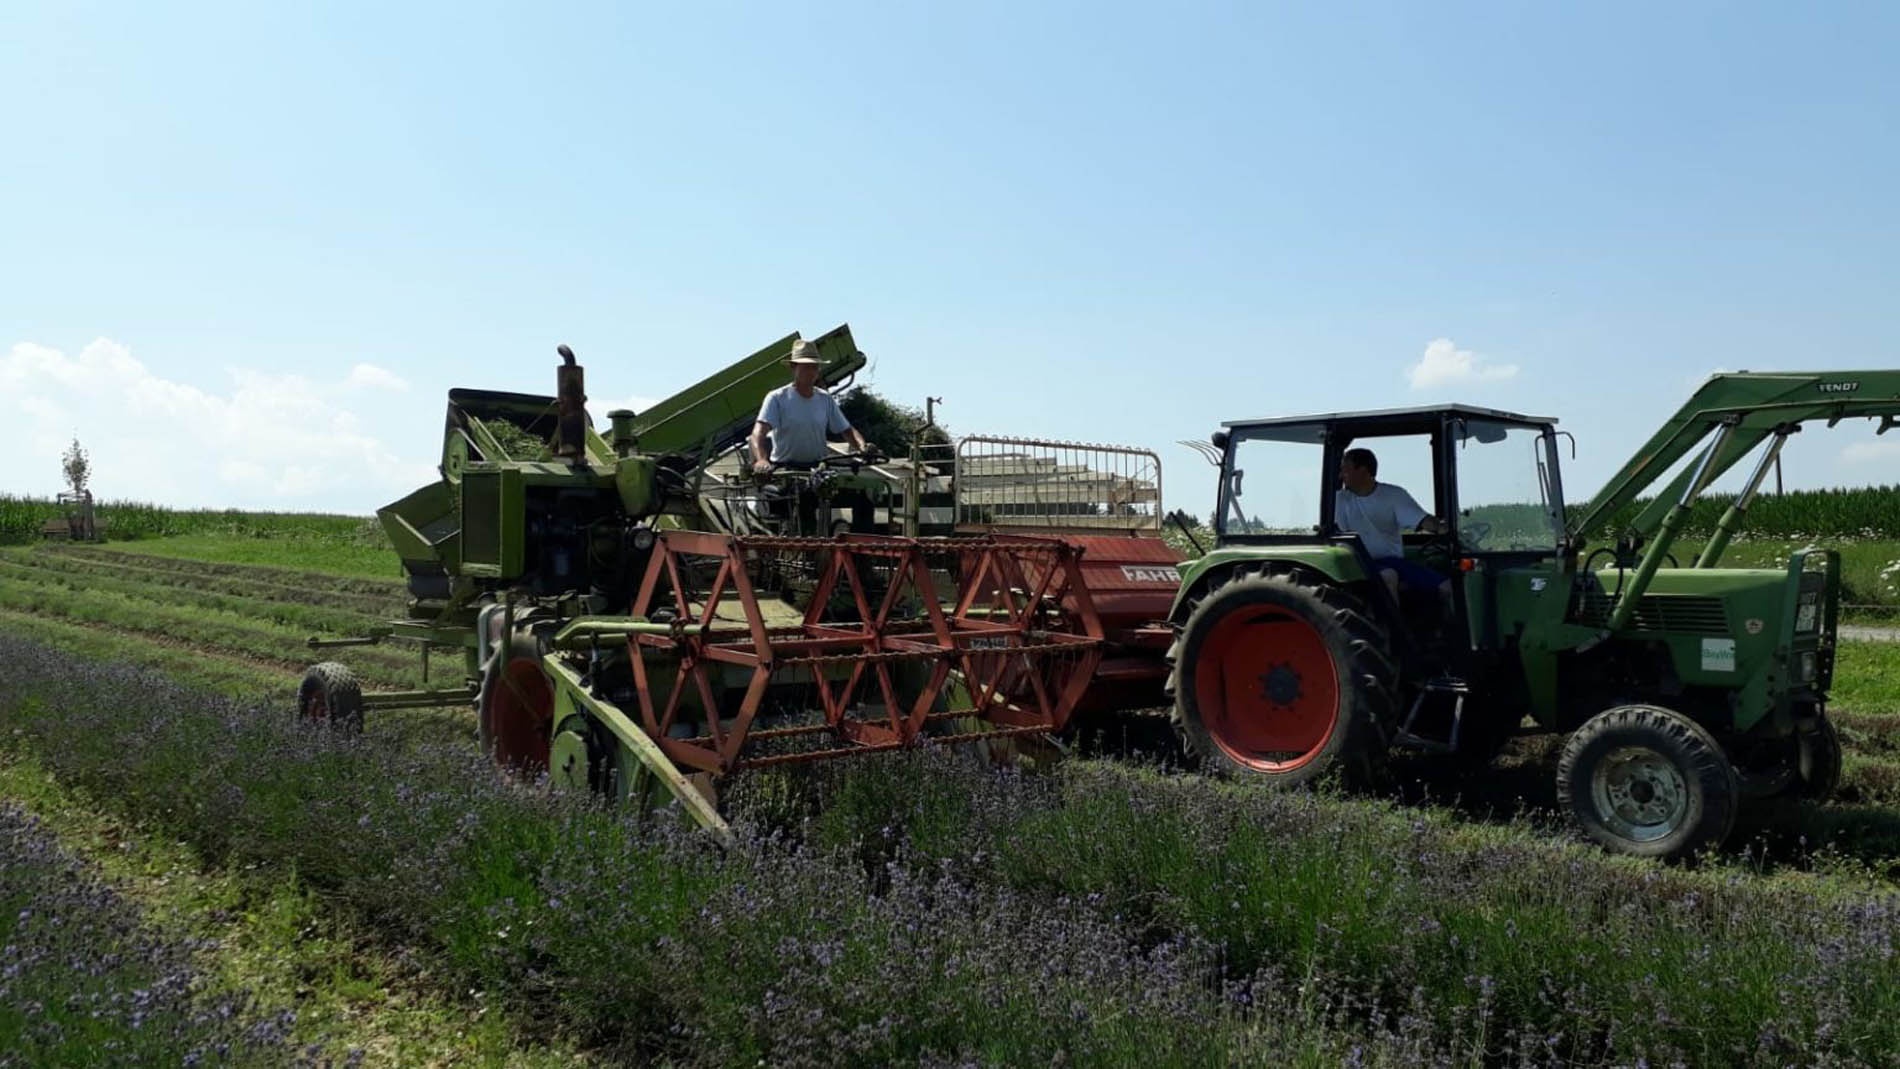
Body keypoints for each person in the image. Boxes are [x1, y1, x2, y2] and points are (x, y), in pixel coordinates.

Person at [1335, 447, 1452, 602]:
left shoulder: (1393, 495)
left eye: (1345, 470)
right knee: (1388, 576)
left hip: (1393, 561)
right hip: (1357, 563)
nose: (1341, 475)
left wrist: (1441, 527)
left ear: (1362, 471)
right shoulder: (1338, 501)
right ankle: (1387, 627)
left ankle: (1446, 625)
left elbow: (1421, 520)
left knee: (1447, 586)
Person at [750, 338, 868, 473]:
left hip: (818, 470)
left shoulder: (825, 399)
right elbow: (758, 434)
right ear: (793, 368)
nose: (811, 372)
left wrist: (863, 447)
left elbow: (847, 430)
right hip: (786, 471)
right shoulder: (777, 398)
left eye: (814, 367)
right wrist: (762, 459)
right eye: (806, 367)